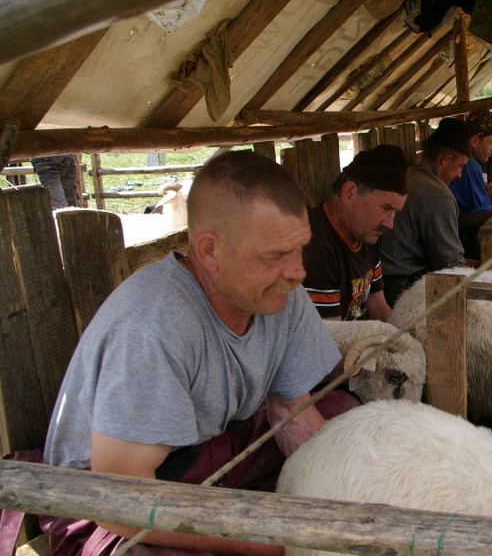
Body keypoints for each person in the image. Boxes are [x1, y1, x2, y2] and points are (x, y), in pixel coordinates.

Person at [40, 150, 355, 555]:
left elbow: (292, 415)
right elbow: (120, 503)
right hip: (111, 495)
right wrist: (282, 544)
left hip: (208, 454)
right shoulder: (151, 326)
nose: (298, 271)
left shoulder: (280, 293)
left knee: (344, 419)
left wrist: (344, 497)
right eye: (275, 255)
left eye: (299, 249)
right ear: (209, 252)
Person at [302, 144, 408, 321]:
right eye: (385, 208)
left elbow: (378, 306)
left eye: (395, 212)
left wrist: (405, 340)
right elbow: (331, 336)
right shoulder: (315, 246)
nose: (390, 224)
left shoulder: (368, 233)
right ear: (350, 193)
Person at [381, 118, 470, 306]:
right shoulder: (439, 196)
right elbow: (449, 265)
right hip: (401, 288)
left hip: (380, 281)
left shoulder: (408, 175)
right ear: (445, 159)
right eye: (461, 166)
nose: (459, 175)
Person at [448, 110, 492, 261]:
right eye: (491, 142)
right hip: (457, 226)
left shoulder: (472, 163)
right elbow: (483, 208)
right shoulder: (469, 165)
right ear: (475, 141)